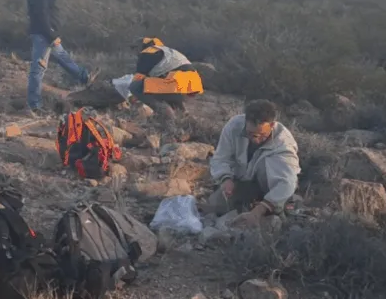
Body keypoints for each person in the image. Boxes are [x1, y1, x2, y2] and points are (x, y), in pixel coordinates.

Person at [206, 99, 301, 229]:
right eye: (250, 134)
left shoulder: (284, 143)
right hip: (242, 181)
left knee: (270, 221)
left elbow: (287, 183)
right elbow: (220, 158)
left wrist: (259, 211)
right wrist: (225, 179)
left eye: (260, 135)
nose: (255, 139)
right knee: (216, 205)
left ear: (272, 125)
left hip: (268, 187)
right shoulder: (234, 126)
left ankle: (273, 207)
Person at [26, 0, 99, 116]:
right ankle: (34, 104)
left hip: (46, 33)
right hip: (43, 34)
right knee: (38, 69)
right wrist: (51, 35)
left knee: (62, 57)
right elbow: (41, 14)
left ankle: (84, 77)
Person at [127, 36, 203, 117]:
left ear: (141, 46)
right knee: (157, 86)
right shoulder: (166, 51)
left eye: (134, 48)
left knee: (135, 87)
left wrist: (130, 96)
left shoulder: (148, 52)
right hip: (192, 86)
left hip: (176, 84)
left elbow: (138, 78)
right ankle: (183, 113)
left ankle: (165, 115)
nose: (134, 52)